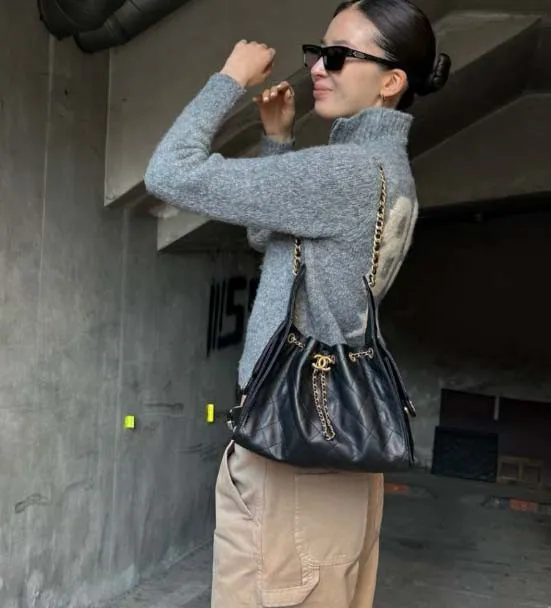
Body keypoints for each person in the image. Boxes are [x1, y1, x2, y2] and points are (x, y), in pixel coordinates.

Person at [144, 1, 451, 606]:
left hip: (295, 461)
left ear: (391, 82)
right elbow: (271, 237)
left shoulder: (346, 173)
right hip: (334, 452)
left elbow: (168, 173)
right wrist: (279, 141)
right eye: (318, 52)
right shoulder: (387, 170)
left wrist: (228, 79)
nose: (317, 67)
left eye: (338, 57)